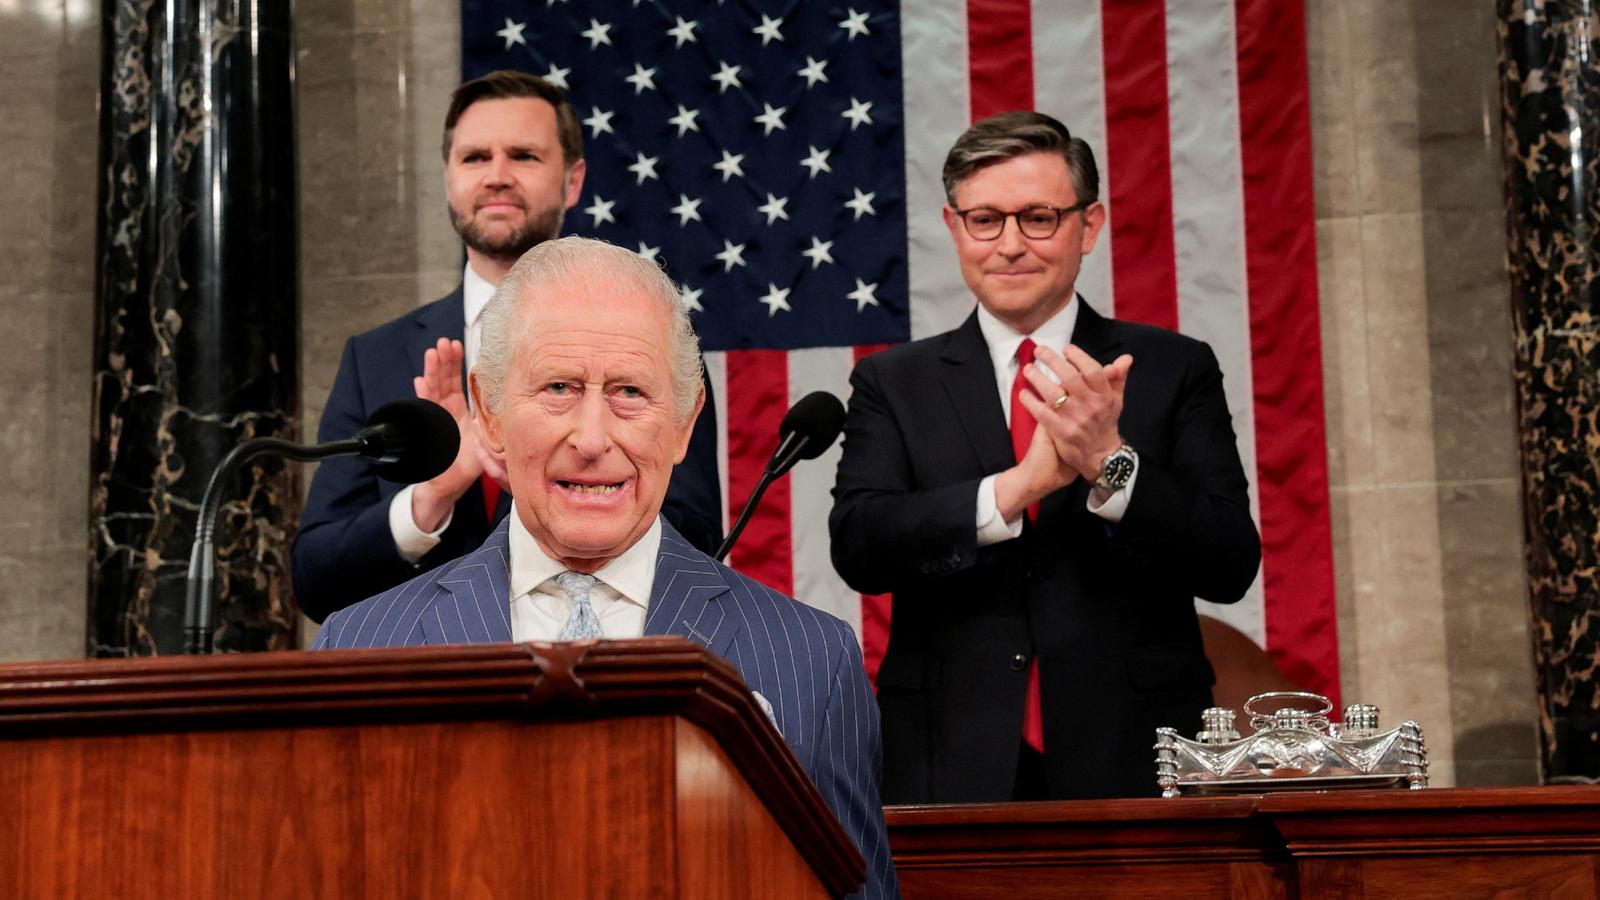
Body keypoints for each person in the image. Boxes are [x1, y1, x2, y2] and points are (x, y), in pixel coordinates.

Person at [313, 237, 897, 899]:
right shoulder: (359, 649)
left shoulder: (813, 662)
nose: (592, 440)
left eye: (630, 392)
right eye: (559, 388)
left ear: (684, 424)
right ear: (490, 412)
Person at [828, 111, 1262, 803]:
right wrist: (1014, 489)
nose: (1009, 245)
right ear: (952, 227)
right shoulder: (894, 382)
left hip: (1133, 752)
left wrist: (1110, 465)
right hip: (950, 753)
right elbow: (860, 546)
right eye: (985, 220)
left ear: (1088, 227)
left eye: (1038, 217)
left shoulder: (1171, 367)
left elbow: (1230, 562)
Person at [293, 70, 722, 623]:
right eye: (474, 158)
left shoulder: (650, 342)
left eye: (523, 156)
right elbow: (315, 581)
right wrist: (430, 500)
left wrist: (522, 468)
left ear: (572, 181)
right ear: (448, 179)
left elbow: (698, 539)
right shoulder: (375, 359)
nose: (497, 176)